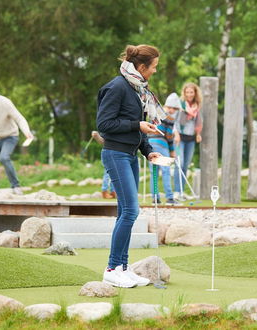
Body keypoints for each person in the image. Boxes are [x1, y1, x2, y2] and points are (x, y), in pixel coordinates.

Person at [97, 44, 162, 288]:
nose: (155, 71)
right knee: (131, 212)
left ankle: (123, 267)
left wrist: (149, 150)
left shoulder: (136, 88)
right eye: (153, 67)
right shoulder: (116, 87)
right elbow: (104, 125)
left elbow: (140, 124)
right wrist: (137, 126)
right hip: (115, 154)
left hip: (130, 154)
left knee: (126, 212)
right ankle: (112, 268)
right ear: (142, 67)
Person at [147, 93, 182, 206]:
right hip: (161, 145)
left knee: (154, 172)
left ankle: (155, 198)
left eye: (174, 108)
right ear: (166, 106)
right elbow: (169, 136)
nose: (171, 110)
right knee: (166, 171)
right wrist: (172, 151)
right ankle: (169, 198)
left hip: (150, 144)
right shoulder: (170, 119)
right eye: (170, 107)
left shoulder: (157, 113)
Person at [173, 82, 203, 201]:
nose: (189, 94)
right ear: (184, 93)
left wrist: (198, 134)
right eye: (187, 92)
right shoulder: (180, 105)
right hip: (180, 137)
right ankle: (176, 191)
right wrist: (176, 134)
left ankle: (182, 191)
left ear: (195, 93)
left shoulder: (197, 106)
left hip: (190, 138)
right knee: (179, 164)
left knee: (185, 165)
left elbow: (198, 121)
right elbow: (174, 121)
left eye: (191, 92)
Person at [91, 131, 117, 199]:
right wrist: (96, 136)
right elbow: (102, 141)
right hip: (109, 153)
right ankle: (105, 191)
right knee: (108, 174)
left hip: (115, 152)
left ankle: (113, 191)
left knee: (115, 174)